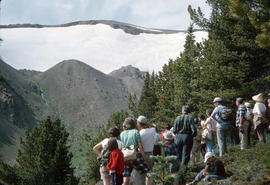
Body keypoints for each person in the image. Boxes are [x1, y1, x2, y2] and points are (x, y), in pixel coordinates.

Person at [120, 118, 149, 185]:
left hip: (126, 156)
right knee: (149, 174)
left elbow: (122, 146)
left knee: (126, 179)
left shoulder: (122, 134)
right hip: (135, 154)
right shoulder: (135, 132)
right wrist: (145, 159)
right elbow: (140, 147)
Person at [134, 116, 156, 185]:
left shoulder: (139, 133)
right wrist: (146, 123)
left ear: (139, 124)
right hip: (150, 154)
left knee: (140, 176)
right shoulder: (152, 130)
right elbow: (154, 127)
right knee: (150, 174)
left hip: (141, 155)